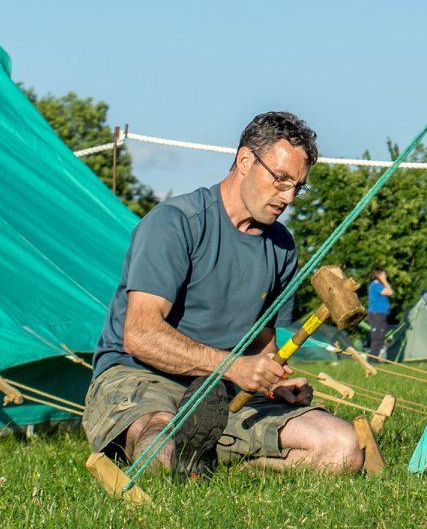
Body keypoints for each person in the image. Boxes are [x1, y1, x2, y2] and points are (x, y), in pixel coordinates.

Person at [82, 111, 365, 475]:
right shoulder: (175, 223)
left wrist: (273, 382)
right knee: (161, 442)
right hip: (142, 378)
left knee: (343, 449)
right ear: (245, 160)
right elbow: (140, 335)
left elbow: (263, 342)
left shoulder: (281, 246)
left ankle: (219, 466)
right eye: (281, 180)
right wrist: (234, 367)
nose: (289, 197)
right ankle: (196, 461)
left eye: (298, 186)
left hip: (225, 391)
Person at [366, 268, 394, 358]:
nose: (386, 276)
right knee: (378, 336)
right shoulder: (376, 285)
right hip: (377, 314)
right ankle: (373, 359)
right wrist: (384, 281)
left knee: (379, 336)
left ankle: (374, 358)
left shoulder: (377, 285)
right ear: (379, 275)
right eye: (384, 274)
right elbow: (390, 292)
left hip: (379, 314)